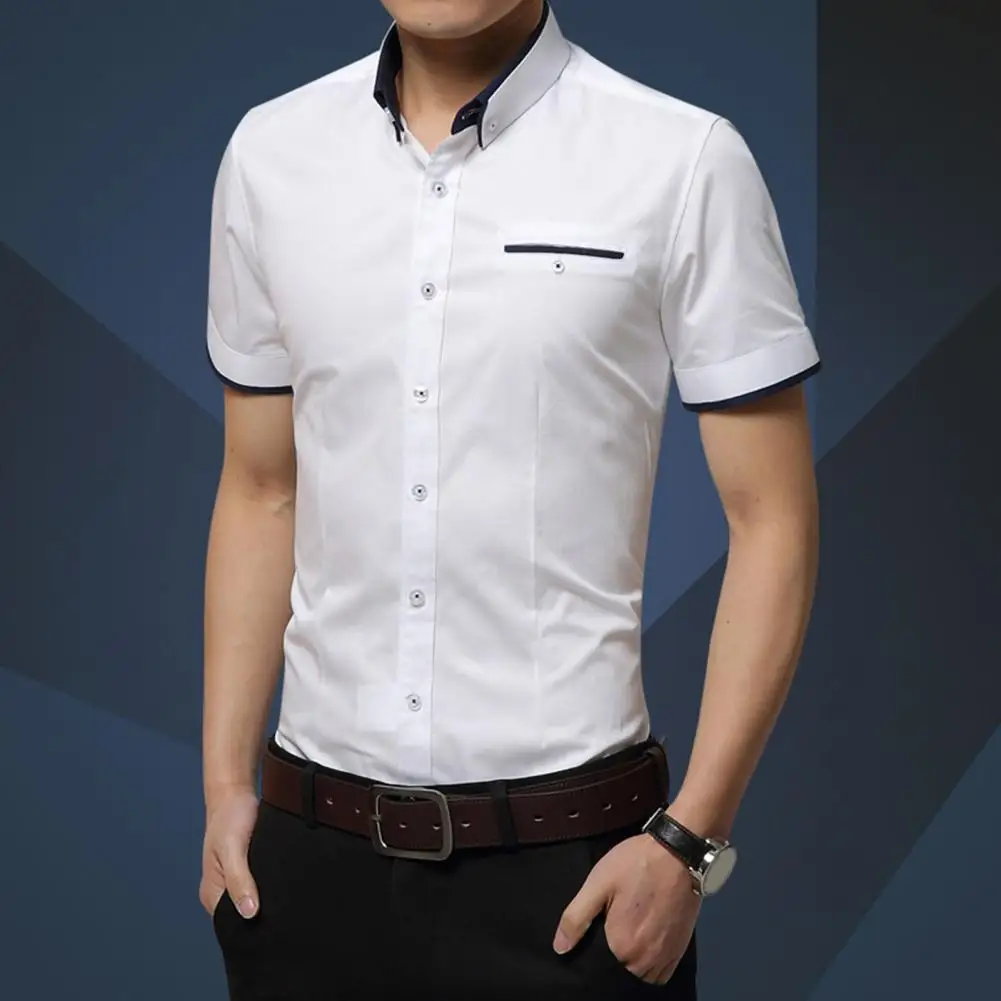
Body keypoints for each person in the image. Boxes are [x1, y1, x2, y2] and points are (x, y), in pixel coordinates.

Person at [199, 1, 820, 998]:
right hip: (308, 877)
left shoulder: (682, 160)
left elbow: (772, 519)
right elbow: (261, 486)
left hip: (569, 885)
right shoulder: (270, 156)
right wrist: (227, 786)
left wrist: (689, 840)